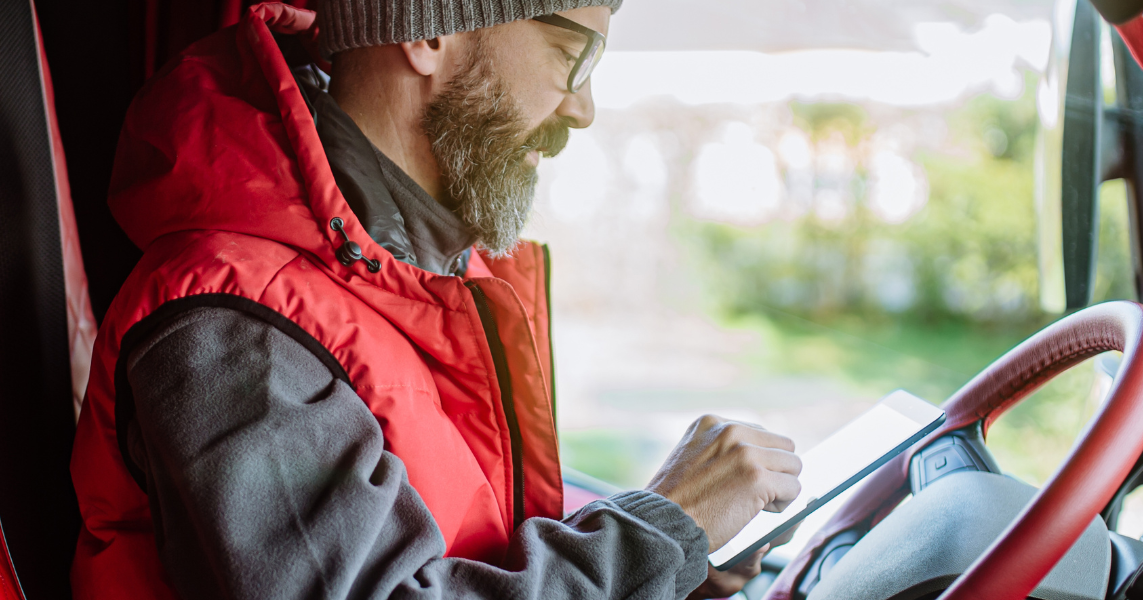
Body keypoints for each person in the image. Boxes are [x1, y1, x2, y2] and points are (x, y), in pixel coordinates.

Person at [69, 1, 804, 598]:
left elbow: (468, 550)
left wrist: (669, 558)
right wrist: (659, 530)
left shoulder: (426, 277)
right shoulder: (235, 333)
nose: (582, 109)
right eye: (571, 55)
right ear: (430, 33)